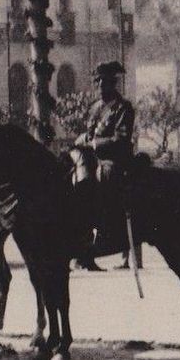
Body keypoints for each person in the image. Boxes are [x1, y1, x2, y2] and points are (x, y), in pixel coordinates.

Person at [76, 60, 136, 272]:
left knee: (105, 176)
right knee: (73, 178)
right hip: (91, 157)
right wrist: (82, 138)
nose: (100, 85)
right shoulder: (94, 107)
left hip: (113, 158)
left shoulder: (123, 108)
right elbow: (89, 132)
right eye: (98, 81)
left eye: (105, 82)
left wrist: (94, 143)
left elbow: (120, 138)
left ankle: (105, 233)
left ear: (113, 83)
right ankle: (82, 247)